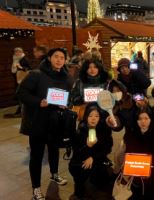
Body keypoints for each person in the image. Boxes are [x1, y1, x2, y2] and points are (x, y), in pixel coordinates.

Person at [17, 48, 74, 200]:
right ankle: (36, 188)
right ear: (49, 58)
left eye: (62, 57)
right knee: (36, 156)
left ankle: (54, 175)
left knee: (54, 150)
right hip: (37, 121)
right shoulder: (36, 74)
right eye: (56, 56)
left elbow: (68, 97)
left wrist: (65, 104)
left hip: (56, 121)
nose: (59, 60)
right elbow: (21, 93)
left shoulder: (66, 77)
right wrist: (38, 102)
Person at [69, 104, 114, 200]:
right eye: (90, 116)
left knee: (105, 181)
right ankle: (80, 192)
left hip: (97, 161)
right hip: (80, 162)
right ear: (86, 117)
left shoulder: (102, 130)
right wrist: (87, 146)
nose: (93, 119)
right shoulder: (80, 130)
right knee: (83, 174)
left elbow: (107, 149)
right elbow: (76, 152)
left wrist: (93, 157)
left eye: (96, 116)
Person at [119, 107, 154, 199]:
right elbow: (128, 153)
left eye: (146, 118)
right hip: (134, 174)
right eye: (140, 119)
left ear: (151, 119)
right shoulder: (131, 134)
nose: (143, 122)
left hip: (150, 174)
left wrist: (150, 169)